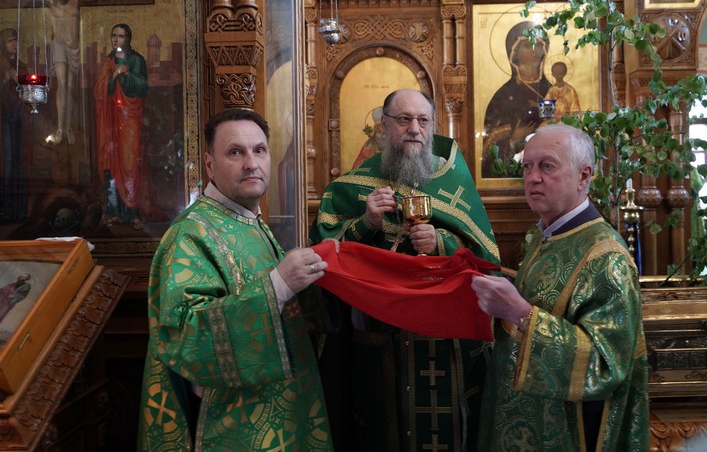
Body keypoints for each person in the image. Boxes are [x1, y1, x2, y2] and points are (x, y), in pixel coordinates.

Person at [309, 88, 500, 451]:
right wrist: (365, 222)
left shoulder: (454, 182)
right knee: (381, 432)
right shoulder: (351, 187)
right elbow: (323, 253)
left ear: (432, 127)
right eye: (404, 119)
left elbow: (485, 255)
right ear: (384, 125)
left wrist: (441, 242)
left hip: (442, 337)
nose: (414, 128)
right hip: (380, 337)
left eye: (423, 120)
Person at [137, 108, 333, 451]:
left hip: (284, 419)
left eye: (259, 150)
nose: (251, 163)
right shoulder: (191, 233)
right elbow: (186, 338)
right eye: (235, 152)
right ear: (210, 165)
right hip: (235, 427)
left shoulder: (250, 223)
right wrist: (278, 285)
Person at [470, 124, 650, 451]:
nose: (532, 177)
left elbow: (605, 366)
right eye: (527, 166)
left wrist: (520, 313)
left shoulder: (606, 256)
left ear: (584, 176)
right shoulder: (550, 234)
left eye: (547, 166)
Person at [0, 0, 142, 144]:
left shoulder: (76, 0)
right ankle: (60, 128)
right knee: (61, 83)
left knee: (69, 86)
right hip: (58, 45)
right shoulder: (51, 1)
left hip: (73, 48)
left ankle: (68, 127)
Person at [94, 23, 152, 226]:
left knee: (130, 163)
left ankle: (132, 211)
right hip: (111, 120)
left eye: (120, 36)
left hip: (130, 119)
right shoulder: (109, 60)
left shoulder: (137, 60)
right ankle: (114, 212)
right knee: (111, 162)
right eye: (113, 35)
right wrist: (115, 74)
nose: (116, 39)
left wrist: (126, 74)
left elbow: (142, 86)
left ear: (128, 38)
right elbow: (99, 88)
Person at [482, 21, 551, 178]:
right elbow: (488, 151)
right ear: (514, 53)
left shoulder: (555, 92)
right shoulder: (502, 97)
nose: (534, 50)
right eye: (527, 45)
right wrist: (513, 141)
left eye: (538, 45)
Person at [0, 28, 27, 221]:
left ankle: (18, 210)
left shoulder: (21, 66)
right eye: (10, 41)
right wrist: (4, 79)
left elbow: (29, 92)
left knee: (19, 161)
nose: (14, 44)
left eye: (16, 40)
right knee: (6, 162)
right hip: (3, 118)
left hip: (19, 117)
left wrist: (19, 81)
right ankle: (5, 209)